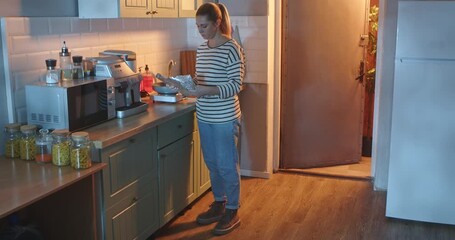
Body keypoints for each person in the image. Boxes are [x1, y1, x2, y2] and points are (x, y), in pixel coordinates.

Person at [157, 2, 245, 236]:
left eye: (204, 26)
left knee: (227, 166)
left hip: (225, 117)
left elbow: (236, 85)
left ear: (217, 23)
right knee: (213, 164)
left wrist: (204, 90)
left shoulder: (232, 48)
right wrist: (184, 85)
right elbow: (202, 79)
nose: (200, 31)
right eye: (197, 27)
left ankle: (233, 210)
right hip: (205, 115)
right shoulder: (202, 49)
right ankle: (219, 203)